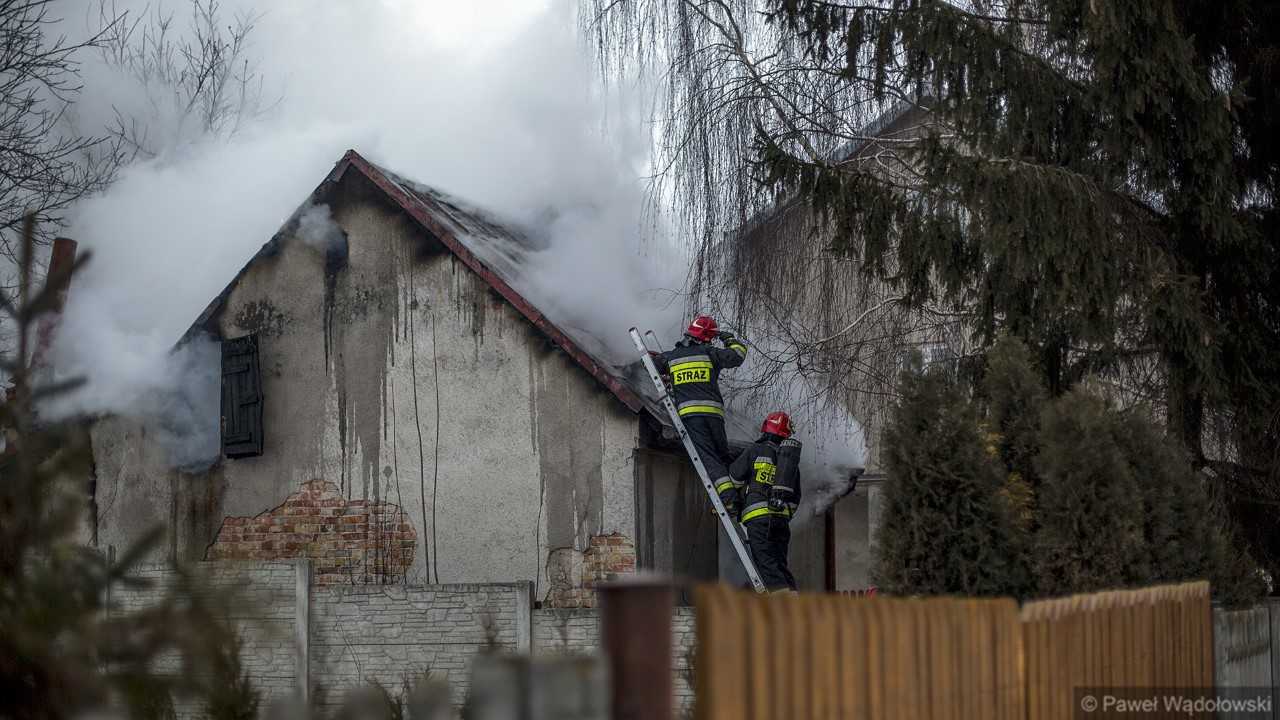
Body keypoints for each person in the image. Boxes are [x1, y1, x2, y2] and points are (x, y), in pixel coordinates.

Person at [651, 315, 749, 515]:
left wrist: (657, 363)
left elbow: (649, 365)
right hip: (714, 416)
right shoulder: (710, 353)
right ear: (707, 337)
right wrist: (727, 337)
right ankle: (737, 498)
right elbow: (738, 355)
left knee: (708, 459)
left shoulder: (671, 357)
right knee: (722, 456)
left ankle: (729, 501)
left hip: (691, 416)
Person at [730, 411, 802, 592]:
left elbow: (735, 478)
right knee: (780, 566)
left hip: (758, 520)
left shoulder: (754, 450)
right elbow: (796, 497)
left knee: (767, 566)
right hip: (781, 522)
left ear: (765, 428)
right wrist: (781, 515)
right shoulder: (790, 462)